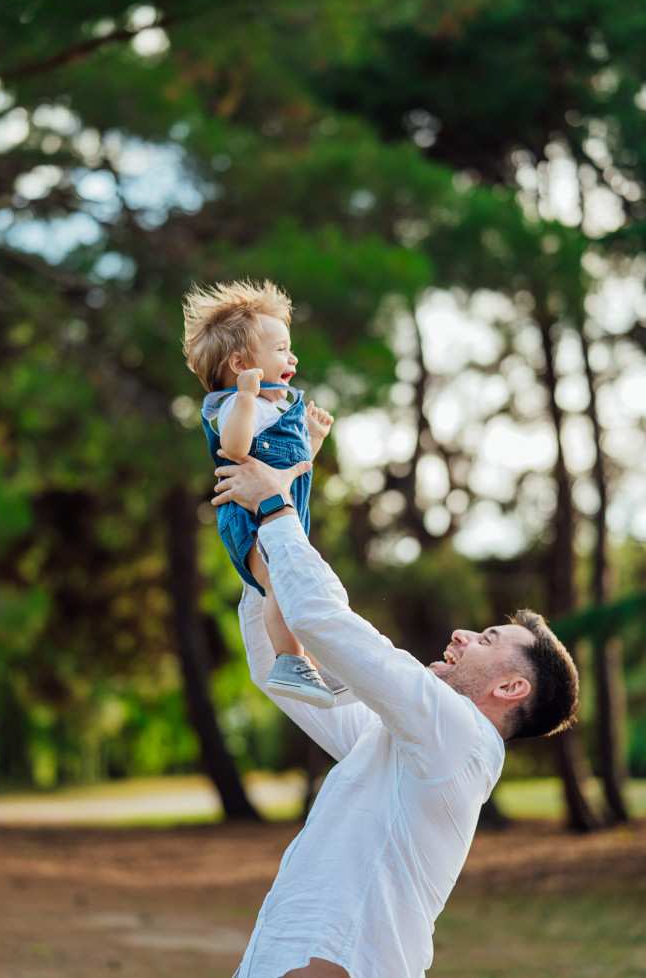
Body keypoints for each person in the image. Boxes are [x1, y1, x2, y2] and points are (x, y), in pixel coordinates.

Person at [211, 454, 580, 978]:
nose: (463, 635)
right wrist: (253, 552)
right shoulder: (398, 742)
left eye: (487, 639)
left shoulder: (460, 735)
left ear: (511, 687)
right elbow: (283, 674)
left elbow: (325, 622)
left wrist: (276, 507)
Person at [183, 278, 345, 708]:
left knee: (294, 584)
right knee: (280, 585)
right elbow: (234, 448)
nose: (291, 357)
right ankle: (290, 661)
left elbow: (291, 470)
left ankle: (310, 659)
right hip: (251, 521)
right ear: (240, 363)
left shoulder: (279, 407)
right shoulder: (237, 405)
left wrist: (312, 438)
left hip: (285, 512)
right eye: (279, 350)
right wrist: (247, 395)